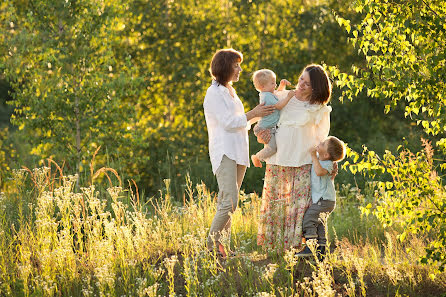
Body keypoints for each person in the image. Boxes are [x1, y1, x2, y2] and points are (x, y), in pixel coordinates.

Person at [203, 49, 275, 258]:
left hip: (238, 151)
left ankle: (222, 249)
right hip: (225, 152)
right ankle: (210, 246)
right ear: (225, 67)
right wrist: (253, 113)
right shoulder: (214, 93)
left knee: (228, 202)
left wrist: (257, 115)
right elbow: (228, 123)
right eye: (236, 66)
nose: (240, 70)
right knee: (230, 201)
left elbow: (241, 122)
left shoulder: (230, 92)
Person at [257, 64, 335, 253]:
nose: (301, 84)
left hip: (302, 163)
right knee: (278, 204)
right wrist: (260, 134)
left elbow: (323, 140)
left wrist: (329, 163)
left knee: (300, 208)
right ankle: (275, 248)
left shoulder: (318, 109)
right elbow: (262, 121)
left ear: (315, 88)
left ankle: (304, 247)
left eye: (307, 84)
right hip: (277, 161)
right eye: (301, 79)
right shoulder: (282, 97)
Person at [297, 136, 345, 259]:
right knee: (319, 224)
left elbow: (319, 172)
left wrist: (313, 156)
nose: (320, 143)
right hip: (325, 200)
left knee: (308, 219)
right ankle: (322, 249)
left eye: (323, 144)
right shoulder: (322, 160)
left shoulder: (328, 163)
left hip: (324, 200)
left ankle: (310, 247)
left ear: (327, 155)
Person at [250, 69, 295, 168]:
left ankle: (259, 157)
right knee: (272, 148)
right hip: (265, 129)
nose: (275, 85)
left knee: (273, 146)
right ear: (263, 87)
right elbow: (279, 105)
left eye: (275, 83)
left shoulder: (267, 94)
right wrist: (288, 97)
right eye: (272, 83)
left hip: (265, 126)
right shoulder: (267, 96)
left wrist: (282, 85)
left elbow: (277, 93)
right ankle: (257, 157)